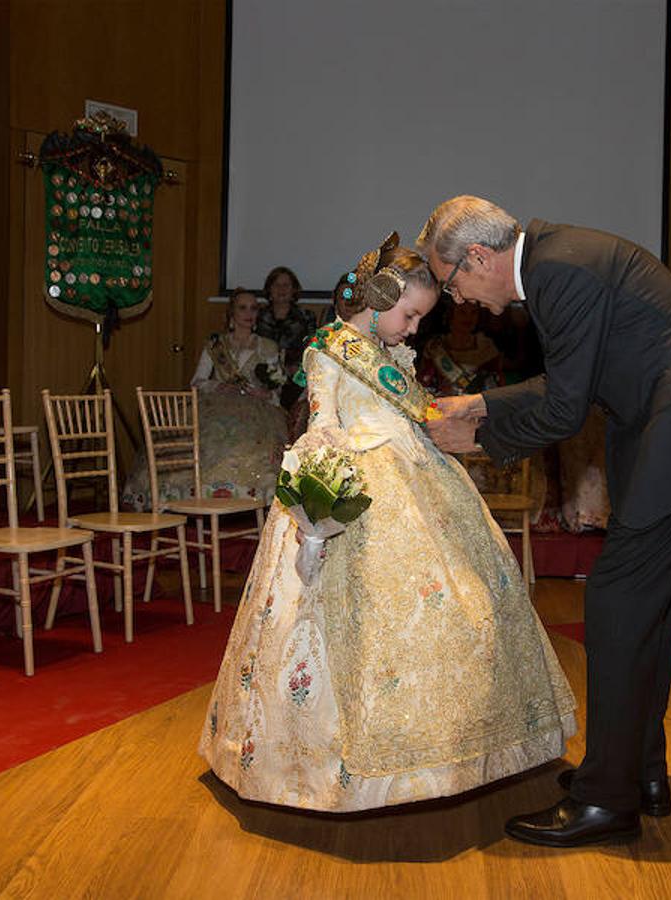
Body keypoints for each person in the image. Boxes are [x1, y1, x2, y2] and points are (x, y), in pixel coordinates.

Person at [420, 196, 671, 847]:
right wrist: (481, 403)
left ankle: (609, 801)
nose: (458, 299)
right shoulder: (558, 260)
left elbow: (567, 408)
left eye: (452, 280)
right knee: (647, 615)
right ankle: (639, 775)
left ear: (480, 256)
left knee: (614, 606)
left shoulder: (560, 271)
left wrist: (478, 442)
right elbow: (570, 383)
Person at [198, 233, 575, 812]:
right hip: (357, 492)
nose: (415, 329)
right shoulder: (330, 348)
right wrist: (317, 510)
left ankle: (454, 750)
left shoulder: (388, 351)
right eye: (410, 315)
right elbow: (322, 426)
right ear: (378, 299)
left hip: (418, 479)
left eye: (422, 318)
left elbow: (412, 411)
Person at [124, 289, 286, 510]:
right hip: (217, 405)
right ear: (231, 312)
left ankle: (250, 498)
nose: (249, 313)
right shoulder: (215, 344)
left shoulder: (267, 347)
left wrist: (264, 393)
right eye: (242, 307)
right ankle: (184, 497)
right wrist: (220, 385)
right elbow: (197, 382)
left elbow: (276, 390)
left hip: (256, 410)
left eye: (254, 308)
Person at [254, 265, 317, 409]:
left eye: (286, 285)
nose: (281, 289)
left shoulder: (306, 317)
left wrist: (298, 368)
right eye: (276, 285)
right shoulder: (257, 316)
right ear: (269, 289)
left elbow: (313, 349)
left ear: (294, 289)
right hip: (262, 374)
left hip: (296, 376)